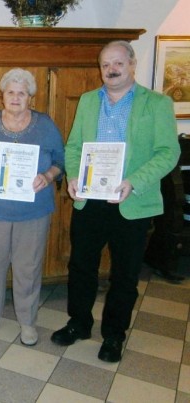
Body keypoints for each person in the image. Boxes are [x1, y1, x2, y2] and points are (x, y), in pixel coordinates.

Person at [50, 41, 181, 362]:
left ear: (132, 64)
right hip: (90, 201)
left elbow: (169, 152)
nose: (111, 69)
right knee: (81, 267)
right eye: (106, 64)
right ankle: (79, 323)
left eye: (118, 63)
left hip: (131, 202)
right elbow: (74, 147)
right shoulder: (88, 101)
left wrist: (133, 182)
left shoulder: (157, 103)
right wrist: (72, 177)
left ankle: (114, 335)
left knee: (124, 274)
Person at [0, 68, 64, 346]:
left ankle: (27, 321)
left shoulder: (45, 124)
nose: (15, 97)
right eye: (10, 92)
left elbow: (61, 161)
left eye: (21, 93)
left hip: (33, 210)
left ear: (30, 97)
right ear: (2, 96)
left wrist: (48, 176)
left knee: (29, 267)